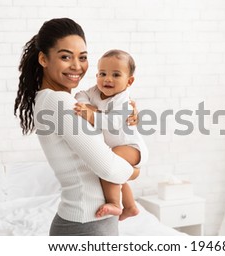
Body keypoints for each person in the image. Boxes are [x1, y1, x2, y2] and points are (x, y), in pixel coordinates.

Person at [13, 18, 139, 236]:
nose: (77, 66)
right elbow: (109, 168)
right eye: (65, 57)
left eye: (82, 58)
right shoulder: (59, 103)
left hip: (87, 221)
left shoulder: (55, 100)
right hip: (86, 224)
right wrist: (135, 170)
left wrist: (124, 110)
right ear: (43, 59)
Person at [74, 49, 148, 221]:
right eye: (102, 73)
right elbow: (80, 95)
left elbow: (113, 123)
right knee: (117, 174)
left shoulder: (124, 102)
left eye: (116, 74)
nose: (107, 79)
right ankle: (130, 207)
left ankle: (115, 203)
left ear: (129, 81)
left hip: (132, 147)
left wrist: (92, 115)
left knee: (108, 163)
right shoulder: (94, 92)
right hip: (119, 147)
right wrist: (87, 105)